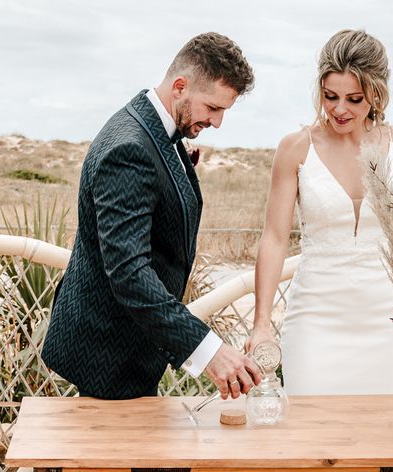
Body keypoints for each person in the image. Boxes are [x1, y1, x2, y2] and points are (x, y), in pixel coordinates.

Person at [42, 32, 261, 400]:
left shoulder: (154, 128)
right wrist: (208, 351)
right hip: (108, 353)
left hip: (130, 347)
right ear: (180, 86)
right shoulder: (130, 149)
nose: (218, 122)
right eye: (213, 108)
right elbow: (128, 272)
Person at [247, 29, 393, 397]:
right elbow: (273, 238)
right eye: (330, 96)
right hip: (315, 321)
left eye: (354, 99)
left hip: (390, 321)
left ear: (377, 94)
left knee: (388, 438)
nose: (339, 109)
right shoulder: (296, 148)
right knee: (314, 439)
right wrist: (261, 323)